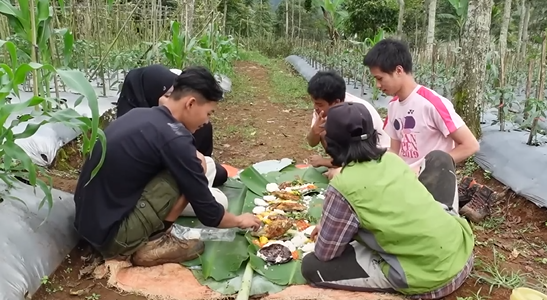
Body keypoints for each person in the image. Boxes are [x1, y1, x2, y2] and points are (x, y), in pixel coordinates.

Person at [73, 66, 261, 267]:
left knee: (191, 165)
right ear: (190, 103)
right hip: (113, 239)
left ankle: (152, 233)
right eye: (208, 113)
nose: (207, 121)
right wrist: (240, 221)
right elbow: (210, 214)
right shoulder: (175, 139)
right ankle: (154, 242)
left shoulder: (140, 114)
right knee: (193, 168)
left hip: (88, 225)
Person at [301, 102, 474, 299]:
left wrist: (329, 226)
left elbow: (326, 253)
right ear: (373, 134)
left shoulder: (342, 186)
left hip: (429, 278)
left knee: (311, 266)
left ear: (331, 144)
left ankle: (399, 273)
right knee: (439, 158)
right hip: (461, 253)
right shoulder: (392, 159)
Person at [362, 38, 496, 223]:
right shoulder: (393, 106)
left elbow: (470, 145)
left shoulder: (431, 103)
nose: (377, 85)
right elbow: (395, 150)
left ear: (398, 70)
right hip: (406, 187)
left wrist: (423, 167)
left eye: (380, 78)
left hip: (436, 191)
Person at [116, 64, 228, 187]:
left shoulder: (192, 125)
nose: (173, 101)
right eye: (168, 96)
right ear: (149, 96)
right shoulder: (136, 129)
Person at [305, 70, 390, 179]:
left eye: (319, 104)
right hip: (354, 156)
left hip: (375, 159)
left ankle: (341, 168)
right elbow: (312, 143)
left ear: (336, 102)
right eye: (314, 102)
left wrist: (325, 162)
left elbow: (362, 151)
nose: (315, 107)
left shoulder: (357, 112)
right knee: (323, 131)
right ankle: (339, 165)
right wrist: (314, 131)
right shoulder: (322, 110)